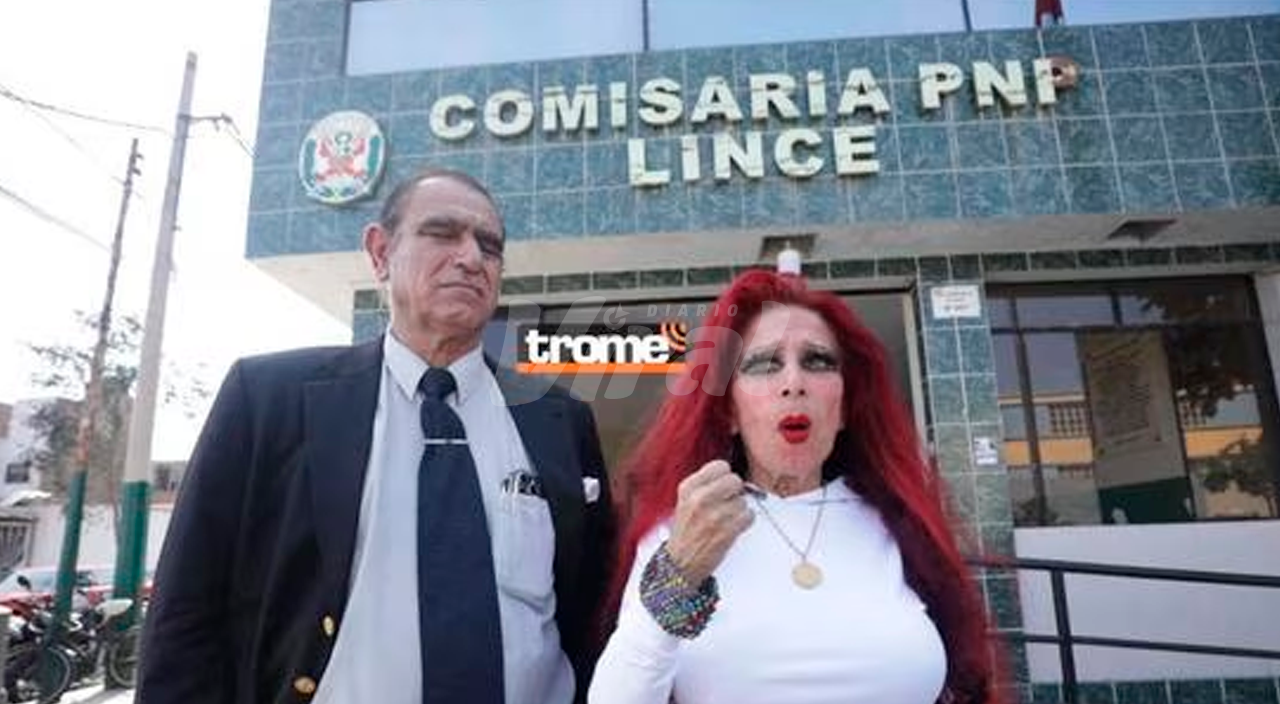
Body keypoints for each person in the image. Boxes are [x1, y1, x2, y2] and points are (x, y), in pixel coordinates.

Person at [139, 169, 614, 704]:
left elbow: (593, 608)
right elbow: (186, 613)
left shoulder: (559, 419)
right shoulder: (269, 399)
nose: (471, 257)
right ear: (381, 252)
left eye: (489, 246)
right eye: (443, 233)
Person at [589, 268, 1005, 704]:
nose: (794, 383)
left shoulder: (901, 526)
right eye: (764, 364)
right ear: (728, 411)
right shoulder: (684, 532)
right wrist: (679, 572)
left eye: (817, 361)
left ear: (844, 408)